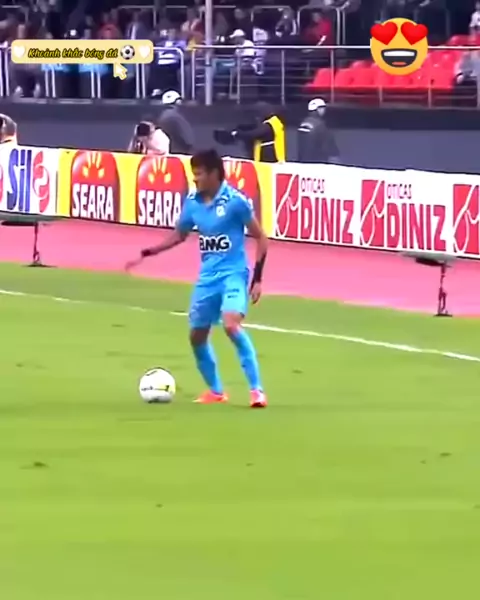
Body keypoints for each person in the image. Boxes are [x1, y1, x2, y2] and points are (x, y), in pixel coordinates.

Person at [125, 149, 268, 408]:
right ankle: (216, 392)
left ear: (214, 174)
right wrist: (149, 252)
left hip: (234, 274)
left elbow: (261, 237)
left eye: (199, 173)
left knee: (231, 325)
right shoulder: (192, 202)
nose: (195, 179)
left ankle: (256, 391)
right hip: (207, 278)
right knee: (197, 337)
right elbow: (179, 235)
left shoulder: (236, 202)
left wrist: (257, 278)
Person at [214, 102, 286, 162]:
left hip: (272, 160)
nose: (257, 117)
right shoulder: (273, 122)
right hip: (268, 160)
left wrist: (237, 134)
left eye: (258, 114)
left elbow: (254, 134)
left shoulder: (271, 124)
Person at [297, 98, 339, 163]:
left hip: (303, 160)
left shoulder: (303, 123)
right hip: (318, 161)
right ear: (318, 109)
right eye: (323, 108)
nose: (324, 110)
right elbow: (328, 144)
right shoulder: (320, 124)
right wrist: (334, 154)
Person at [157, 90, 195, 154]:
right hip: (180, 151)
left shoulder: (163, 115)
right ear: (177, 101)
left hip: (169, 150)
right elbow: (186, 137)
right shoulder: (175, 116)